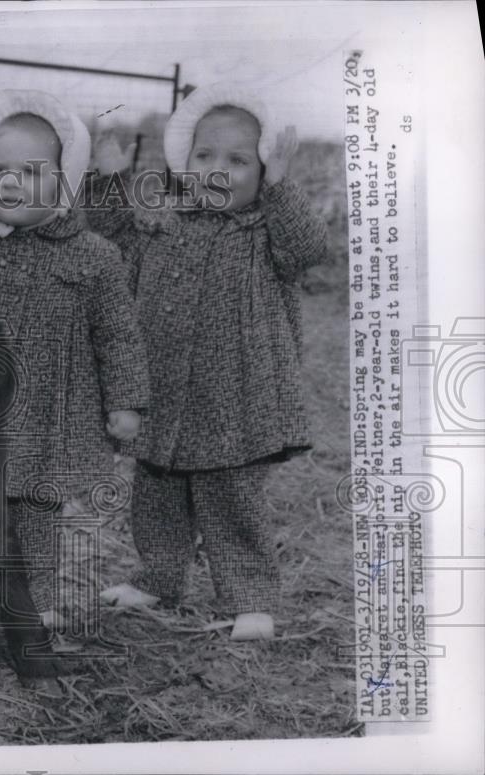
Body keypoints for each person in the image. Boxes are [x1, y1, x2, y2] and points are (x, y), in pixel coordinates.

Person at [89, 82, 328, 640]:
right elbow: (111, 233)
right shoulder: (163, 222)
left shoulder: (266, 232)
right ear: (183, 161)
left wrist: (283, 186)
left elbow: (310, 248)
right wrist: (108, 180)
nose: (218, 170)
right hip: (165, 394)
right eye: (205, 155)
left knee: (231, 500)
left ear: (263, 170)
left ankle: (250, 601)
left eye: (239, 160)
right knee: (156, 493)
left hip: (237, 399)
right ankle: (158, 580)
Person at [0, 89, 149, 632]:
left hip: (44, 420)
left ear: (65, 182)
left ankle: (27, 599)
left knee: (32, 515)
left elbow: (118, 335)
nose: (11, 182)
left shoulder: (93, 257)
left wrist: (126, 402)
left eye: (33, 171)